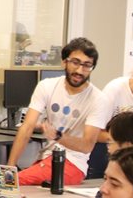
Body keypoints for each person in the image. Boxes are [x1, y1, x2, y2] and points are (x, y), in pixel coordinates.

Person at [6, 37, 102, 187]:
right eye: (75, 62)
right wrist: (10, 167)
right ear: (65, 61)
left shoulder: (98, 99)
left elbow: (87, 146)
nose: (79, 70)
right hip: (46, 157)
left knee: (14, 183)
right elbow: (27, 127)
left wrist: (58, 136)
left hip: (73, 164)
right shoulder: (46, 86)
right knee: (12, 181)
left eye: (87, 65)